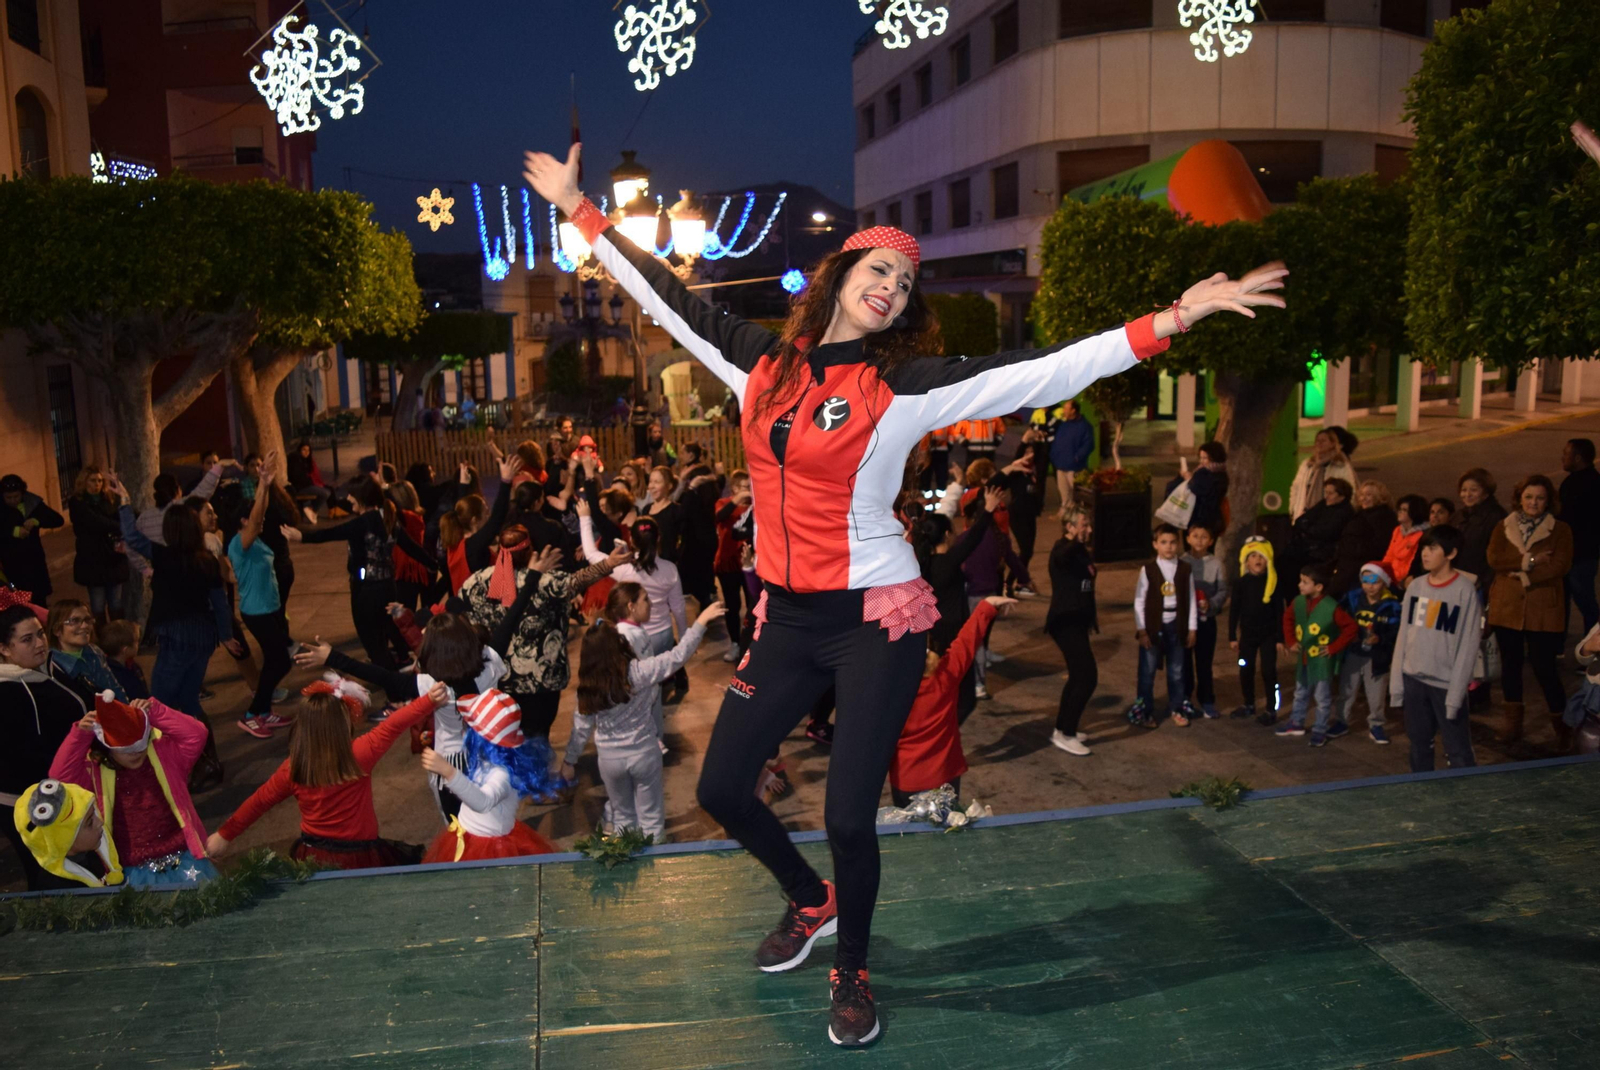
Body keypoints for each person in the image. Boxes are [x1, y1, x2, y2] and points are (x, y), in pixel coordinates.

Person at [525, 139, 1285, 1046]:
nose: (890, 284)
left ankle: (852, 968)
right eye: (877, 267)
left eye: (903, 279)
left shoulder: (906, 386)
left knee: (850, 811)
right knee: (726, 788)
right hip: (788, 616)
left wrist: (1174, 318)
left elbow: (1046, 368)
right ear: (841, 275)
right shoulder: (758, 365)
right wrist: (580, 210)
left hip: (873, 619)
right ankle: (810, 902)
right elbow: (665, 294)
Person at [207, 677, 451, 868]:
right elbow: (394, 724)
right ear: (343, 723)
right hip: (360, 854)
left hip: (314, 853)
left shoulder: (293, 767)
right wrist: (428, 700)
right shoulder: (360, 754)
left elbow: (258, 802)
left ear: (302, 726)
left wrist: (224, 835)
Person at [563, 594, 725, 840]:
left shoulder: (588, 687)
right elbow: (677, 656)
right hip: (644, 753)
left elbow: (581, 727)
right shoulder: (639, 672)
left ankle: (626, 864)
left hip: (609, 760)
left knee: (622, 815)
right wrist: (700, 622)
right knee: (650, 817)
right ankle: (653, 861)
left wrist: (569, 761)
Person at [113, 475, 236, 789]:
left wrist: (125, 503)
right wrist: (225, 634)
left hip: (178, 637)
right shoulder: (207, 561)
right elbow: (219, 603)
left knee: (160, 702)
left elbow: (131, 536)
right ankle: (207, 762)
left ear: (170, 531)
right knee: (187, 700)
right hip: (202, 638)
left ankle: (171, 764)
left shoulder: (164, 556)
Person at [462, 524, 626, 741]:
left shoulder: (475, 583)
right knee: (539, 739)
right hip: (542, 682)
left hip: (496, 679)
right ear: (530, 551)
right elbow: (579, 579)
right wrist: (609, 563)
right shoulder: (548, 583)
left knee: (504, 740)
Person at [49, 689, 216, 886]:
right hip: (134, 871)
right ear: (107, 748)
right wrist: (80, 735)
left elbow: (196, 733)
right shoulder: (95, 774)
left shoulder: (166, 756)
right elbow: (60, 776)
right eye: (126, 750)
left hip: (185, 860)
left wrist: (155, 711)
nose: (136, 753)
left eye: (141, 744)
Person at [282, 479, 428, 672]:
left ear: (362, 498)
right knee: (388, 627)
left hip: (366, 591)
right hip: (388, 586)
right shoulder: (388, 518)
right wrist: (432, 565)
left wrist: (302, 537)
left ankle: (393, 686)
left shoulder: (363, 523)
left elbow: (332, 533)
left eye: (352, 495)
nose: (349, 498)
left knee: (373, 642)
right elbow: (411, 547)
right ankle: (404, 662)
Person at [0, 603, 95, 889]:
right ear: (4, 649)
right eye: (27, 640)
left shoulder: (48, 667)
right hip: (30, 803)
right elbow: (25, 756)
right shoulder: (7, 692)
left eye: (40, 634)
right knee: (52, 877)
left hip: (65, 790)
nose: (40, 643)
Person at [577, 503, 687, 743]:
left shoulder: (624, 569)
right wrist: (686, 638)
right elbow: (678, 608)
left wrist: (585, 518)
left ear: (632, 541)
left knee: (632, 688)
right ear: (658, 539)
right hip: (662, 637)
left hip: (631, 639)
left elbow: (591, 554)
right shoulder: (669, 569)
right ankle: (656, 738)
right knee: (654, 690)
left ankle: (634, 733)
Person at [891, 595, 1016, 800]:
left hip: (906, 778)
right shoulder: (944, 677)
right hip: (945, 774)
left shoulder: (886, 691)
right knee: (947, 827)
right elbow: (966, 642)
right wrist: (986, 606)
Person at [418, 690, 561, 863]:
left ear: (480, 737)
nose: (464, 731)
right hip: (467, 834)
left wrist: (449, 771)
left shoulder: (502, 774)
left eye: (468, 727)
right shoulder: (484, 759)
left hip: (489, 848)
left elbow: (483, 803)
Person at [1485, 474, 1572, 744]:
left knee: (1544, 667)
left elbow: (1559, 566)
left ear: (1549, 501)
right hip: (1507, 606)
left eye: (1540, 497)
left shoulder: (1560, 530)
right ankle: (1513, 726)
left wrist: (1522, 574)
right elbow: (1494, 559)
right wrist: (1531, 559)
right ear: (1519, 498)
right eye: (1529, 497)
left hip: (1542, 608)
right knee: (1510, 666)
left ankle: (1564, 727)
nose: (1534, 502)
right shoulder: (1504, 526)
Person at [1390, 526, 1482, 772]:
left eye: (1433, 548)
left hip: (1445, 684)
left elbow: (1468, 645)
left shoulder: (1464, 591)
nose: (1425, 554)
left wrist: (1455, 694)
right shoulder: (1416, 587)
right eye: (1424, 548)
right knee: (1419, 745)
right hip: (1414, 680)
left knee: (1457, 749)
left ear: (1451, 553)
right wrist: (1397, 684)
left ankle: (1467, 799)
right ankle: (1423, 795)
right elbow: (1404, 636)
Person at [225, 452, 293, 739]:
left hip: (271, 608)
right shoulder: (240, 544)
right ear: (243, 520)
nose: (260, 521)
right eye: (254, 518)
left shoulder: (256, 542)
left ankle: (263, 710)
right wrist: (263, 485)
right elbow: (255, 520)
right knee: (280, 660)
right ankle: (253, 713)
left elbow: (258, 516)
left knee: (279, 659)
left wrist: (267, 486)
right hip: (257, 612)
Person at [1274, 564, 1357, 746]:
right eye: (1300, 581)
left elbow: (1350, 627)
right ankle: (1296, 722)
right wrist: (1291, 640)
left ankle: (1320, 728)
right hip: (1304, 658)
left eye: (1305, 582)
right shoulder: (1299, 602)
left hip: (1321, 661)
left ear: (1318, 587)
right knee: (1300, 692)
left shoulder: (1331, 607)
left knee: (1322, 697)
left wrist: (1333, 647)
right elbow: (1287, 618)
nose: (1299, 585)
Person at [1128, 524, 1198, 728]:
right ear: (1155, 545)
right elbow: (1139, 601)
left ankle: (1177, 707)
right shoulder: (1148, 570)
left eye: (1173, 542)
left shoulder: (1185, 569)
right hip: (1153, 626)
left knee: (1177, 670)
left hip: (1177, 625)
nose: (1169, 547)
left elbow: (1191, 598)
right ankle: (1144, 710)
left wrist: (1192, 628)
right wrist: (1141, 630)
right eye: (1164, 542)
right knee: (1147, 671)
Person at [1044, 507, 1096, 755]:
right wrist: (1075, 539)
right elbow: (1063, 557)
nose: (1089, 530)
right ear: (1070, 527)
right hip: (1065, 621)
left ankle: (1062, 729)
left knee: (1079, 676)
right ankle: (1067, 733)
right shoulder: (1061, 549)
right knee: (1086, 676)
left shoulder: (1079, 549)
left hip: (1077, 621)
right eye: (1083, 525)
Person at [9, 778, 123, 889]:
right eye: (89, 822)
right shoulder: (58, 889)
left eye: (94, 814)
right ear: (62, 840)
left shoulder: (91, 852)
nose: (100, 822)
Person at [1337, 562, 1402, 744]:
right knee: (1347, 689)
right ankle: (1341, 721)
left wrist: (1380, 639)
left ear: (1383, 582)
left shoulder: (1392, 606)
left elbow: (1395, 630)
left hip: (1377, 657)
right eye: (1365, 581)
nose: (1369, 586)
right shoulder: (1353, 599)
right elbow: (1339, 617)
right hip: (1354, 652)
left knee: (1376, 695)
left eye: (1375, 581)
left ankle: (1376, 724)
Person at [1229, 538, 1284, 724]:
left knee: (1269, 671)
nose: (1257, 559)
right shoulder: (1241, 583)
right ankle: (1249, 704)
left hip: (1268, 635)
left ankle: (1271, 708)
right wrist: (1232, 636)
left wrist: (1280, 638)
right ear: (1246, 561)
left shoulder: (1274, 583)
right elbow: (1234, 610)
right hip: (1247, 636)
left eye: (1261, 555)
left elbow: (1279, 611)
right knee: (1245, 669)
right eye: (1253, 556)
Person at [66, 465, 129, 625]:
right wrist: (119, 526)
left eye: (100, 481)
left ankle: (118, 636)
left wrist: (124, 499)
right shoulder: (77, 502)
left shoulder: (108, 499)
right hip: (93, 559)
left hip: (113, 558)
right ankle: (102, 638)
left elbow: (123, 515)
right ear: (84, 482)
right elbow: (95, 522)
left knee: (116, 602)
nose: (97, 484)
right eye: (93, 480)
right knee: (98, 603)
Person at [1181, 522, 1227, 719]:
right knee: (1184, 662)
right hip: (1185, 621)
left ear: (1211, 541)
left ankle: (1207, 699)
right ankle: (1184, 699)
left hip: (1206, 620)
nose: (1199, 540)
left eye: (1203, 536)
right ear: (1188, 538)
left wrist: (1213, 603)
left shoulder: (1216, 563)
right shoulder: (1182, 562)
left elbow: (1223, 590)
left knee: (1204, 662)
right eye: (1195, 536)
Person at [0, 473, 65, 606]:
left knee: (39, 603)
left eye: (16, 496)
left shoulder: (32, 503)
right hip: (11, 565)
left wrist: (37, 521)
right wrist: (13, 531)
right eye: (8, 497)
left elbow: (57, 520)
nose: (13, 500)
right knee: (19, 604)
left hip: (34, 563)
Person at [1558, 438, 1600, 636]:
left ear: (1577, 457)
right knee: (1566, 600)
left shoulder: (1579, 485)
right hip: (1581, 554)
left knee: (1584, 602)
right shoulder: (1587, 481)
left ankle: (1591, 648)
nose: (1562, 458)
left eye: (1566, 454)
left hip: (1580, 555)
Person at [47, 599, 127, 701]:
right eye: (75, 621)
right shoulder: (52, 665)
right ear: (57, 629)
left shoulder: (94, 652)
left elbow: (115, 689)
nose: (85, 626)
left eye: (87, 620)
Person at [1331, 480, 1397, 596]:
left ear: (1379, 497)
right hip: (1347, 562)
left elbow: (1380, 546)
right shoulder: (1359, 514)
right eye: (1361, 495)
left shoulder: (1384, 517)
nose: (1363, 498)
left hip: (1362, 566)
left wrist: (1353, 550)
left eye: (1369, 495)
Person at [714, 471, 754, 661]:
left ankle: (751, 643)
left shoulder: (755, 506)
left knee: (753, 604)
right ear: (735, 489)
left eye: (750, 487)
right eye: (744, 487)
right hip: (728, 563)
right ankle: (735, 643)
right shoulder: (724, 504)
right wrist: (737, 500)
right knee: (732, 605)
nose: (748, 491)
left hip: (750, 562)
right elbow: (719, 516)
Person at [1287, 477, 1355, 580]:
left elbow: (1326, 532)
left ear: (1342, 496)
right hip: (1308, 546)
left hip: (1323, 552)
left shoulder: (1344, 512)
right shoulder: (1323, 505)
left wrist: (1308, 528)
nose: (1326, 496)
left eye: (1330, 493)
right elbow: (1301, 520)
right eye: (1326, 492)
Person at [1455, 468, 1506, 596]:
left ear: (1486, 492)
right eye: (1464, 490)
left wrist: (1484, 582)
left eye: (1474, 490)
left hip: (1481, 585)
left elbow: (1498, 554)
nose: (1467, 494)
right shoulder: (1460, 516)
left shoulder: (1496, 517)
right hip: (1459, 581)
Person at [1287, 428, 1357, 522]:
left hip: (1330, 515)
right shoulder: (1307, 465)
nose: (1319, 443)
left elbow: (1350, 490)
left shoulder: (1340, 466)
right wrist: (1293, 508)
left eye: (1323, 441)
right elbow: (1296, 487)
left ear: (1332, 443)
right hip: (1304, 513)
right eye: (1317, 440)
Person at [1166, 441, 1229, 536]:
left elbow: (1202, 491)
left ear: (1215, 458)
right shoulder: (1201, 471)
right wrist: (1184, 477)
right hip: (1191, 517)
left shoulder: (1218, 476)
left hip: (1207, 521)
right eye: (1200, 458)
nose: (1201, 461)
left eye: (1205, 458)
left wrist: (1190, 479)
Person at [1048, 399, 1092, 516]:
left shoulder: (1084, 426)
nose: (1063, 411)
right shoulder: (1063, 425)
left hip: (1074, 467)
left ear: (1073, 410)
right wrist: (1054, 456)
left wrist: (1077, 457)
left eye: (1066, 409)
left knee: (1076, 494)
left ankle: (1078, 516)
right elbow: (1057, 442)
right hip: (1061, 465)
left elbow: (1088, 445)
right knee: (1064, 494)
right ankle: (1066, 514)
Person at [1382, 493, 1431, 586]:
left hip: (1406, 580)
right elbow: (1390, 555)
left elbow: (1413, 562)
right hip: (1391, 577)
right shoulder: (1397, 530)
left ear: (1414, 512)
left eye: (1404, 510)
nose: (1400, 512)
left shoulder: (1423, 534)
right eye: (1399, 509)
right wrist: (1382, 572)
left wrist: (1397, 579)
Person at [100, 619, 149, 701]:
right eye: (136, 641)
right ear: (125, 650)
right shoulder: (118, 676)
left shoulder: (132, 666)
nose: (138, 645)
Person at [286, 440, 332, 522]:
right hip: (299, 488)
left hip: (306, 485)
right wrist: (311, 483)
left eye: (308, 450)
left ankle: (312, 510)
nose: (306, 452)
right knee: (325, 493)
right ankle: (313, 510)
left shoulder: (306, 461)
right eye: (304, 450)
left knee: (327, 491)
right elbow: (297, 477)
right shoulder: (296, 460)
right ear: (300, 450)